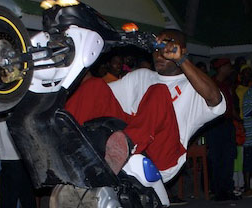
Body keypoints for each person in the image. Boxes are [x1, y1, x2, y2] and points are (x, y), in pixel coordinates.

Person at [65, 29, 225, 184]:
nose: (160, 54)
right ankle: (64, 141)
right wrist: (76, 56)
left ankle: (126, 145)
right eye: (156, 49)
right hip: (128, 140)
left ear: (182, 51)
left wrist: (182, 60)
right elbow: (101, 97)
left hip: (164, 153)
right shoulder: (142, 76)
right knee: (93, 86)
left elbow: (215, 99)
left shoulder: (192, 85)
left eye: (167, 48)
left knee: (159, 91)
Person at [206, 58, 238, 201]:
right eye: (228, 66)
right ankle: (219, 190)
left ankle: (227, 189)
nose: (230, 69)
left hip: (227, 123)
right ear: (222, 68)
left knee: (228, 157)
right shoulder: (212, 84)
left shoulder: (226, 85)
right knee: (217, 157)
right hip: (216, 124)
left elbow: (230, 107)